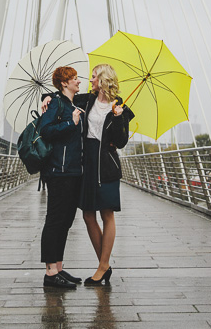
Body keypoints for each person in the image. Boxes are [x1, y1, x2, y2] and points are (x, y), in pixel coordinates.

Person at [43, 63, 134, 285]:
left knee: (107, 214)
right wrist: (47, 96)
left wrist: (120, 117)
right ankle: (104, 265)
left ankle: (103, 266)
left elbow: (121, 142)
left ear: (103, 80)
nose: (89, 80)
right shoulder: (87, 100)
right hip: (87, 164)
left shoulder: (119, 106)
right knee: (87, 215)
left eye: (93, 77)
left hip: (107, 164)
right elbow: (63, 96)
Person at [38, 66, 84, 289]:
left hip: (74, 170)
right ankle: (50, 273)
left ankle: (59, 266)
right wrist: (70, 123)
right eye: (74, 78)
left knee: (66, 221)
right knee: (55, 220)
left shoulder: (74, 104)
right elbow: (45, 129)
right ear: (64, 83)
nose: (78, 81)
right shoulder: (56, 103)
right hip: (58, 171)